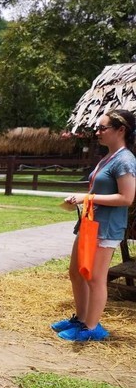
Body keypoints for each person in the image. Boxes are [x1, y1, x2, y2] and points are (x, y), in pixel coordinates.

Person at [52, 109, 136, 342]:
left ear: (121, 130)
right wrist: (83, 198)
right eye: (97, 128)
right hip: (89, 223)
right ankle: (81, 319)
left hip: (106, 227)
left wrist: (87, 198)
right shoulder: (109, 157)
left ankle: (91, 328)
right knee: (76, 272)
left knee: (95, 277)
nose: (97, 132)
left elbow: (127, 198)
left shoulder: (125, 160)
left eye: (102, 128)